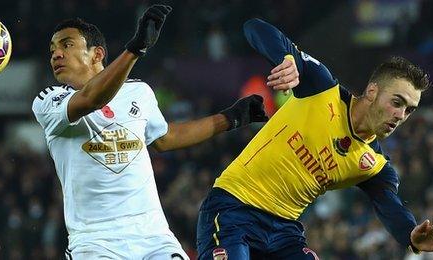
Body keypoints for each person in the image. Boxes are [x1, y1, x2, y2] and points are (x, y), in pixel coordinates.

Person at [32, 6, 297, 260]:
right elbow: (91, 99)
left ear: (97, 54)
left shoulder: (139, 92)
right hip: (95, 242)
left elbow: (165, 138)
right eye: (53, 49)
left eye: (66, 44)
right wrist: (135, 49)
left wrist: (231, 118)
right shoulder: (50, 101)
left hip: (153, 236)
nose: (56, 54)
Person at [196, 18, 433, 259]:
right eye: (397, 102)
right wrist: (286, 59)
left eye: (409, 110)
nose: (401, 115)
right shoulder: (321, 89)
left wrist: (409, 234)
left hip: (283, 233)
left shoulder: (374, 165)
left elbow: (390, 205)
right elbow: (254, 27)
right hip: (233, 208)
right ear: (372, 92)